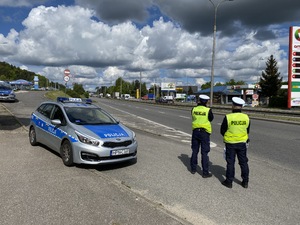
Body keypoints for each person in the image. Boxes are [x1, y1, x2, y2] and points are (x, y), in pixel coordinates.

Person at [220, 97, 250, 188]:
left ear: (233, 106)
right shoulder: (246, 117)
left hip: (230, 143)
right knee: (243, 162)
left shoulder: (228, 117)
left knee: (230, 162)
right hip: (242, 143)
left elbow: (222, 130)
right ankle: (245, 182)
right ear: (241, 107)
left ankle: (229, 182)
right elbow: (247, 130)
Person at [190, 94, 214, 178]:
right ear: (206, 101)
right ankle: (205, 172)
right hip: (204, 133)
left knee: (194, 151)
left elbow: (193, 117)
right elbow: (211, 119)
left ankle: (193, 169)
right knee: (204, 153)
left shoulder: (194, 109)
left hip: (195, 132)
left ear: (199, 100)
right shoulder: (208, 110)